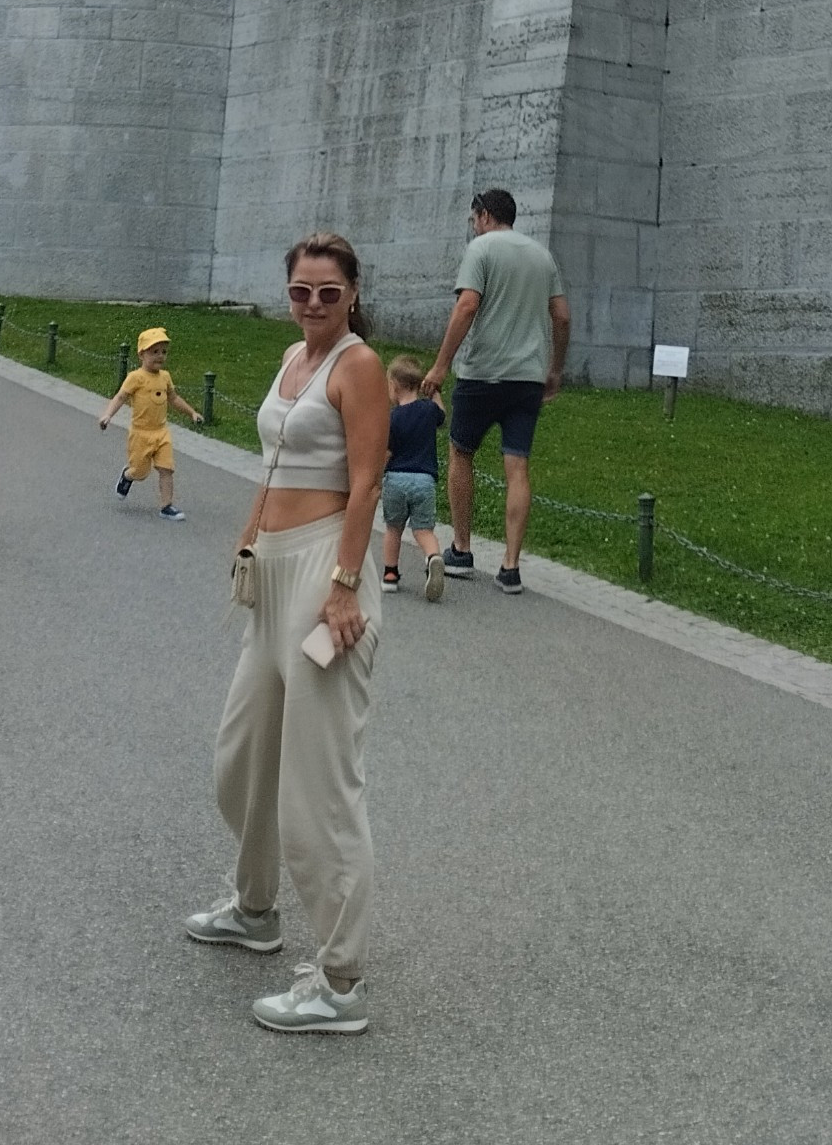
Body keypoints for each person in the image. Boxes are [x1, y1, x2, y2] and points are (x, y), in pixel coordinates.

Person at [187, 233, 386, 1035]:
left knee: (320, 787)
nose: (312, 304)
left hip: (323, 578)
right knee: (242, 757)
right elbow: (271, 465)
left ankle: (339, 981)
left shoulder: (359, 365)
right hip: (272, 571)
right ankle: (256, 908)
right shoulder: (291, 356)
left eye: (327, 293)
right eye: (301, 290)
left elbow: (367, 479)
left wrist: (342, 586)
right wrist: (246, 545)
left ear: (352, 293)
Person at [420, 186, 570, 594]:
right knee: (517, 465)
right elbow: (561, 316)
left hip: (483, 374)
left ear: (485, 215)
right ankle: (510, 566)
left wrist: (440, 365)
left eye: (473, 219)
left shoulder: (481, 250)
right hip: (528, 378)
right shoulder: (543, 256)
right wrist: (554, 370)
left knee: (461, 452)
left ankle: (462, 550)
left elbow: (467, 305)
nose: (474, 227)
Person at [99, 326, 202, 514]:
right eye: (154, 352)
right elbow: (120, 397)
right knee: (139, 472)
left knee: (167, 469)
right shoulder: (135, 378)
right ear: (141, 354)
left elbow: (173, 398)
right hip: (140, 433)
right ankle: (127, 476)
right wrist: (108, 415)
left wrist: (191, 412)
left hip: (161, 432)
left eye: (163, 352)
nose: (160, 356)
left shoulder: (165, 377)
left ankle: (166, 506)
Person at [379, 356, 446, 598]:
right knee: (423, 530)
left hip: (396, 478)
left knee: (393, 528)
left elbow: (387, 452)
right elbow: (442, 414)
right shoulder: (429, 411)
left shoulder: (392, 418)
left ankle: (389, 574)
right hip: (424, 481)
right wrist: (434, 393)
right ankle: (433, 557)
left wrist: (377, 478)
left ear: (395, 386)